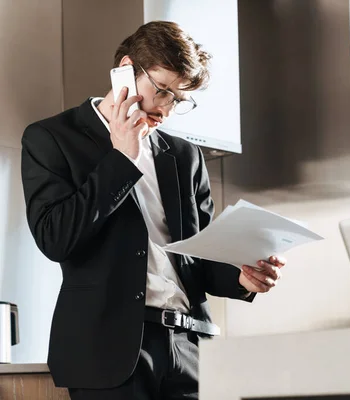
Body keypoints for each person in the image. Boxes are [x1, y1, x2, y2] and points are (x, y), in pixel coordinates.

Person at [20, 21, 284, 399]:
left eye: (178, 99)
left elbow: (201, 256)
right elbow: (55, 239)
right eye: (161, 90)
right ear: (126, 68)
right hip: (109, 353)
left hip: (190, 349)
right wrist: (121, 159)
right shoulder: (51, 138)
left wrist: (244, 277)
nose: (165, 109)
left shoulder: (183, 156)